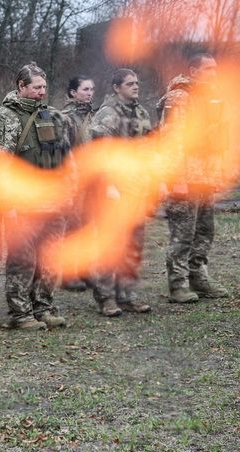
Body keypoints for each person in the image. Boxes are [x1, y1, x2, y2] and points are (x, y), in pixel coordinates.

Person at [0, 63, 73, 331]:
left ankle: (43, 307)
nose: (42, 92)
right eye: (36, 87)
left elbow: (66, 158)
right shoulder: (4, 118)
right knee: (22, 260)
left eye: (44, 87)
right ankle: (20, 313)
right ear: (21, 86)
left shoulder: (54, 116)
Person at [158, 53, 230, 303]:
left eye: (215, 69)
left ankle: (198, 279)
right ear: (193, 71)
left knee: (204, 231)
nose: (214, 74)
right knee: (183, 234)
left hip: (205, 177)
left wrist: (217, 173)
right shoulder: (179, 97)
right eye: (208, 69)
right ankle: (178, 285)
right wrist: (175, 178)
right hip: (185, 178)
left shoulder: (210, 97)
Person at [88, 69, 153, 317]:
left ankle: (126, 295)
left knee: (133, 244)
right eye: (129, 84)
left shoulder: (141, 113)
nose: (135, 87)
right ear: (117, 87)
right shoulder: (107, 114)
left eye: (137, 83)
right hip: (114, 190)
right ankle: (106, 298)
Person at [59, 75, 96, 292]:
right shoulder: (65, 117)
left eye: (91, 89)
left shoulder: (93, 115)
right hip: (72, 180)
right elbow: (64, 151)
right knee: (72, 227)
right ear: (73, 92)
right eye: (85, 89)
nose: (89, 93)